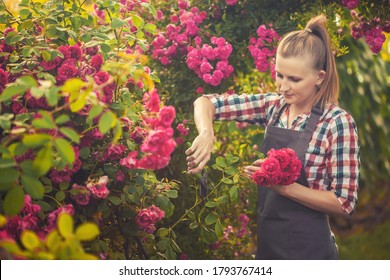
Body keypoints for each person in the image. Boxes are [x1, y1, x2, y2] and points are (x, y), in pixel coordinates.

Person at [185, 14, 360, 260]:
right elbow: (206, 102)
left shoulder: (337, 123)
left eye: (294, 79)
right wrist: (206, 132)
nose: (283, 87)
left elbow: (344, 202)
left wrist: (284, 188)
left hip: (311, 253)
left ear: (319, 77)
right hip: (269, 249)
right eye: (279, 75)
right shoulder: (274, 107)